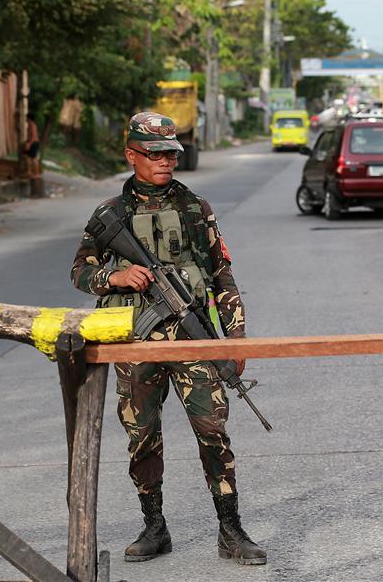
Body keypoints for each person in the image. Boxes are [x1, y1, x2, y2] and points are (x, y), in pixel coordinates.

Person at [70, 112, 266, 566]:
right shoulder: (110, 216)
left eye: (171, 154)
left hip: (193, 339)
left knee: (212, 430)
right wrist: (115, 276)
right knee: (141, 436)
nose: (165, 162)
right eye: (154, 154)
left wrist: (234, 338)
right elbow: (79, 272)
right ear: (131, 155)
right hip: (134, 344)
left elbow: (221, 276)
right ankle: (154, 526)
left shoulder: (197, 208)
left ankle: (231, 529)